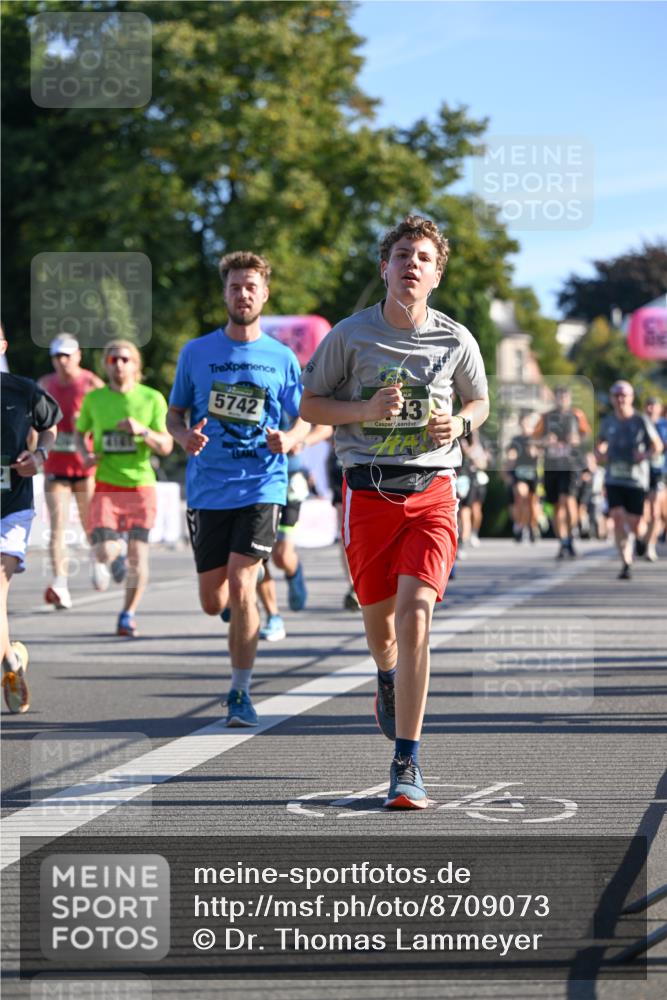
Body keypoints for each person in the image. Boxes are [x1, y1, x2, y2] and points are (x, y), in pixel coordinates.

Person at [300, 215, 489, 809]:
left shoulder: (455, 339)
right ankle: (386, 677)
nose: (412, 264)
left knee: (416, 619)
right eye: (402, 254)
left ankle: (406, 761)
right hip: (367, 493)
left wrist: (458, 423)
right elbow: (310, 403)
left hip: (432, 489)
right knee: (381, 627)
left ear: (437, 273)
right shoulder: (349, 335)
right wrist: (364, 409)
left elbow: (480, 400)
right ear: (385, 267)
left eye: (423, 257)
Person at [167, 251, 309, 726]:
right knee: (215, 601)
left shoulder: (281, 358)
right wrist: (184, 435)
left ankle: (239, 692)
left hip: (262, 483)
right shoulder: (196, 353)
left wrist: (289, 438)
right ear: (224, 293)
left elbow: (305, 414)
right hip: (208, 489)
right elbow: (175, 413)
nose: (242, 294)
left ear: (264, 294)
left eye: (251, 286)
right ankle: (237, 618)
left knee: (243, 584)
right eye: (234, 286)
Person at [75, 340, 172, 636]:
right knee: (103, 549)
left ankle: (128, 613)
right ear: (105, 364)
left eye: (125, 359)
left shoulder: (152, 398)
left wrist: (142, 430)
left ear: (135, 365)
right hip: (106, 484)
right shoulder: (95, 399)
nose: (119, 364)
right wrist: (85, 455)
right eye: (113, 359)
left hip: (141, 487)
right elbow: (80, 435)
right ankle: (113, 558)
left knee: (138, 556)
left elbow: (167, 445)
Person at [1, 328, 61, 713]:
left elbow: (51, 427)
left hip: (12, 507)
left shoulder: (23, 390)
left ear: (2, 346)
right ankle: (9, 662)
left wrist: (38, 458)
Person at [38, 334, 104, 609]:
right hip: (55, 465)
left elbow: (107, 417)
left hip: (85, 466)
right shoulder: (44, 385)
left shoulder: (91, 383)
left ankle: (98, 561)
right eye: (57, 356)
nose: (62, 361)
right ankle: (60, 583)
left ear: (78, 356)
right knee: (57, 527)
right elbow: (35, 423)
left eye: (67, 355)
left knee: (90, 523)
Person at [256, 422, 331, 641]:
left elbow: (326, 427)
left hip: (290, 479)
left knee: (281, 555)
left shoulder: (297, 388)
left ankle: (294, 571)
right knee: (256, 557)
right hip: (255, 481)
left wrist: (301, 441)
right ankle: (273, 615)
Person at [596, 380, 663, 580]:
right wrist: (600, 453)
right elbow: (600, 444)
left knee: (635, 523)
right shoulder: (607, 422)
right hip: (614, 477)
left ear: (631, 398)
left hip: (635, 480)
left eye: (624, 395)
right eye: (616, 395)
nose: (620, 399)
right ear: (611, 399)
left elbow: (657, 445)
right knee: (617, 517)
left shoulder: (640, 421)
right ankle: (626, 562)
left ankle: (642, 540)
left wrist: (644, 455)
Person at [533, 386, 591, 559]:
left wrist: (577, 440)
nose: (562, 400)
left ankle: (571, 533)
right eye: (559, 397)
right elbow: (534, 440)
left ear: (569, 399)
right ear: (555, 399)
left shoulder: (576, 415)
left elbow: (585, 436)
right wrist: (545, 441)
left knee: (569, 500)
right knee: (557, 505)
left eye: (565, 397)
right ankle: (563, 541)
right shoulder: (546, 417)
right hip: (552, 465)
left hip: (570, 465)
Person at [638, 397, 667, 561]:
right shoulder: (638, 423)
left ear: (659, 408)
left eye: (653, 405)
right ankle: (641, 537)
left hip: (659, 471)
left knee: (656, 511)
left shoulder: (664, 425)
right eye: (647, 405)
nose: (650, 408)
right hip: (640, 471)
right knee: (643, 510)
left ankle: (650, 546)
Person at [506, 412, 540, 542]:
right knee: (521, 496)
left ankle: (531, 526)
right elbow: (511, 452)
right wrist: (511, 456)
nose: (526, 426)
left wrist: (535, 451)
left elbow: (541, 453)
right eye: (524, 423)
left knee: (532, 503)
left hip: (533, 474)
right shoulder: (516, 439)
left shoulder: (536, 438)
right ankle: (520, 525)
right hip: (520, 473)